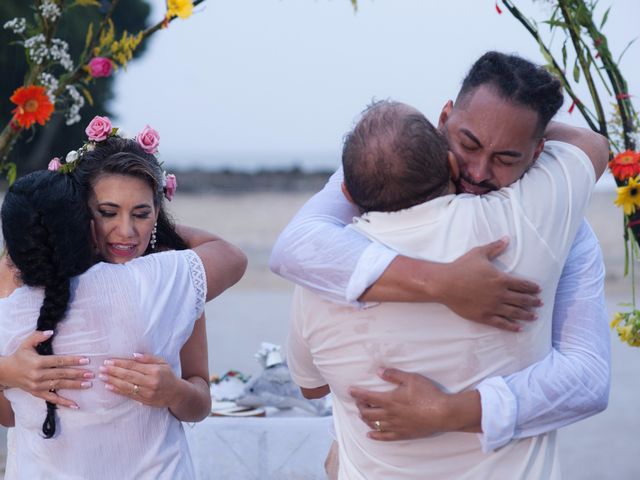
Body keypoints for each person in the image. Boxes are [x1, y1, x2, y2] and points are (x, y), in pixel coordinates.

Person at [271, 51, 610, 451]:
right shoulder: (535, 217)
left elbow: (295, 251)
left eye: (506, 157)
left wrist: (452, 411)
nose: (480, 172)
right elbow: (592, 144)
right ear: (443, 121)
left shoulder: (552, 218)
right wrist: (442, 284)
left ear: (537, 152)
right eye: (469, 143)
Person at [0, 168, 246, 478]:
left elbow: (199, 403)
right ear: (85, 223)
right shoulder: (162, 283)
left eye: (141, 214)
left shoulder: (7, 302)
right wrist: (157, 225)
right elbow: (231, 256)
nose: (125, 231)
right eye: (107, 213)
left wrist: (7, 370)